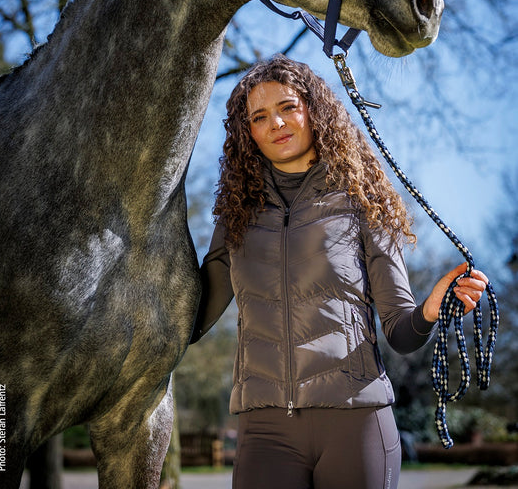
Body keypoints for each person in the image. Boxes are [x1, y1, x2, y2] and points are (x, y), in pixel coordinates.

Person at [191, 54, 488, 489]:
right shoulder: (237, 216)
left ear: (315, 109)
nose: (276, 123)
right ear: (247, 133)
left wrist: (431, 309)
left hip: (356, 420)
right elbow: (192, 316)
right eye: (260, 116)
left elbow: (401, 332)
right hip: (265, 427)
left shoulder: (364, 200)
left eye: (288, 107)